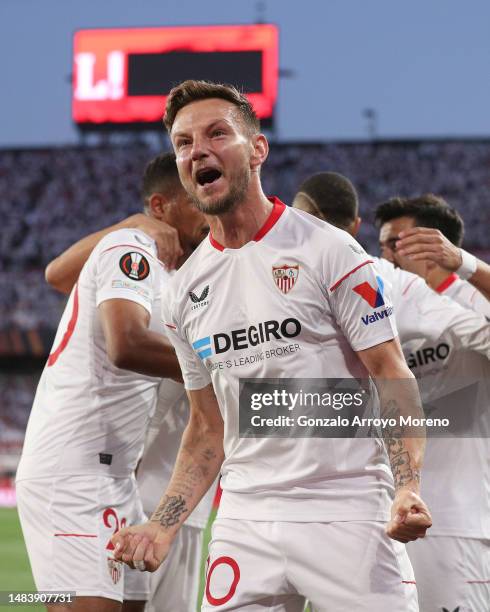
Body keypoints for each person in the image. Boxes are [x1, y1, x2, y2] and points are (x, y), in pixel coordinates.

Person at [112, 80, 432, 612]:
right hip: (244, 519)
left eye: (218, 134)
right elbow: (207, 426)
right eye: (184, 142)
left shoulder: (329, 251)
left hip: (347, 509)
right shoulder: (181, 294)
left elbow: (392, 373)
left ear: (257, 149)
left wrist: (407, 486)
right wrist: (164, 525)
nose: (199, 151)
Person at [16, 153, 209, 612]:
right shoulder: (133, 247)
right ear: (162, 206)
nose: (210, 211)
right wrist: (220, 369)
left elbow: (57, 274)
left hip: (117, 477)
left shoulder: (175, 272)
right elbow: (126, 345)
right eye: (197, 200)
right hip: (73, 470)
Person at [294, 173, 490, 611]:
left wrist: (469, 265)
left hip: (455, 519)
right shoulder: (381, 304)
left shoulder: (469, 301)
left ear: (439, 245)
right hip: (386, 515)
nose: (388, 253)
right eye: (384, 244)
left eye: (400, 242)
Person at [376, 194, 490, 314]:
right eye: (382, 248)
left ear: (436, 246)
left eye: (395, 246)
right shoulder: (389, 304)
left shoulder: (476, 301)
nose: (384, 258)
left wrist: (462, 261)